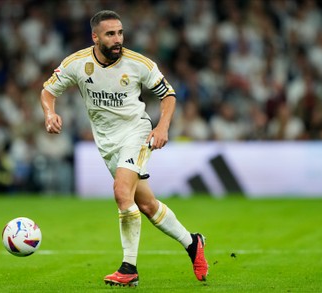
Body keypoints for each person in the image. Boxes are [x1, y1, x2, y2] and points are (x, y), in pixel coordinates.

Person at [40, 10, 208, 287]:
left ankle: (129, 268)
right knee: (146, 204)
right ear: (95, 37)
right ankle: (193, 243)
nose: (118, 39)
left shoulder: (138, 63)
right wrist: (49, 113)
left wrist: (162, 126)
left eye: (120, 33)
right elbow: (48, 90)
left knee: (121, 192)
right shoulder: (77, 64)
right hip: (106, 143)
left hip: (136, 132)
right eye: (110, 34)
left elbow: (168, 94)